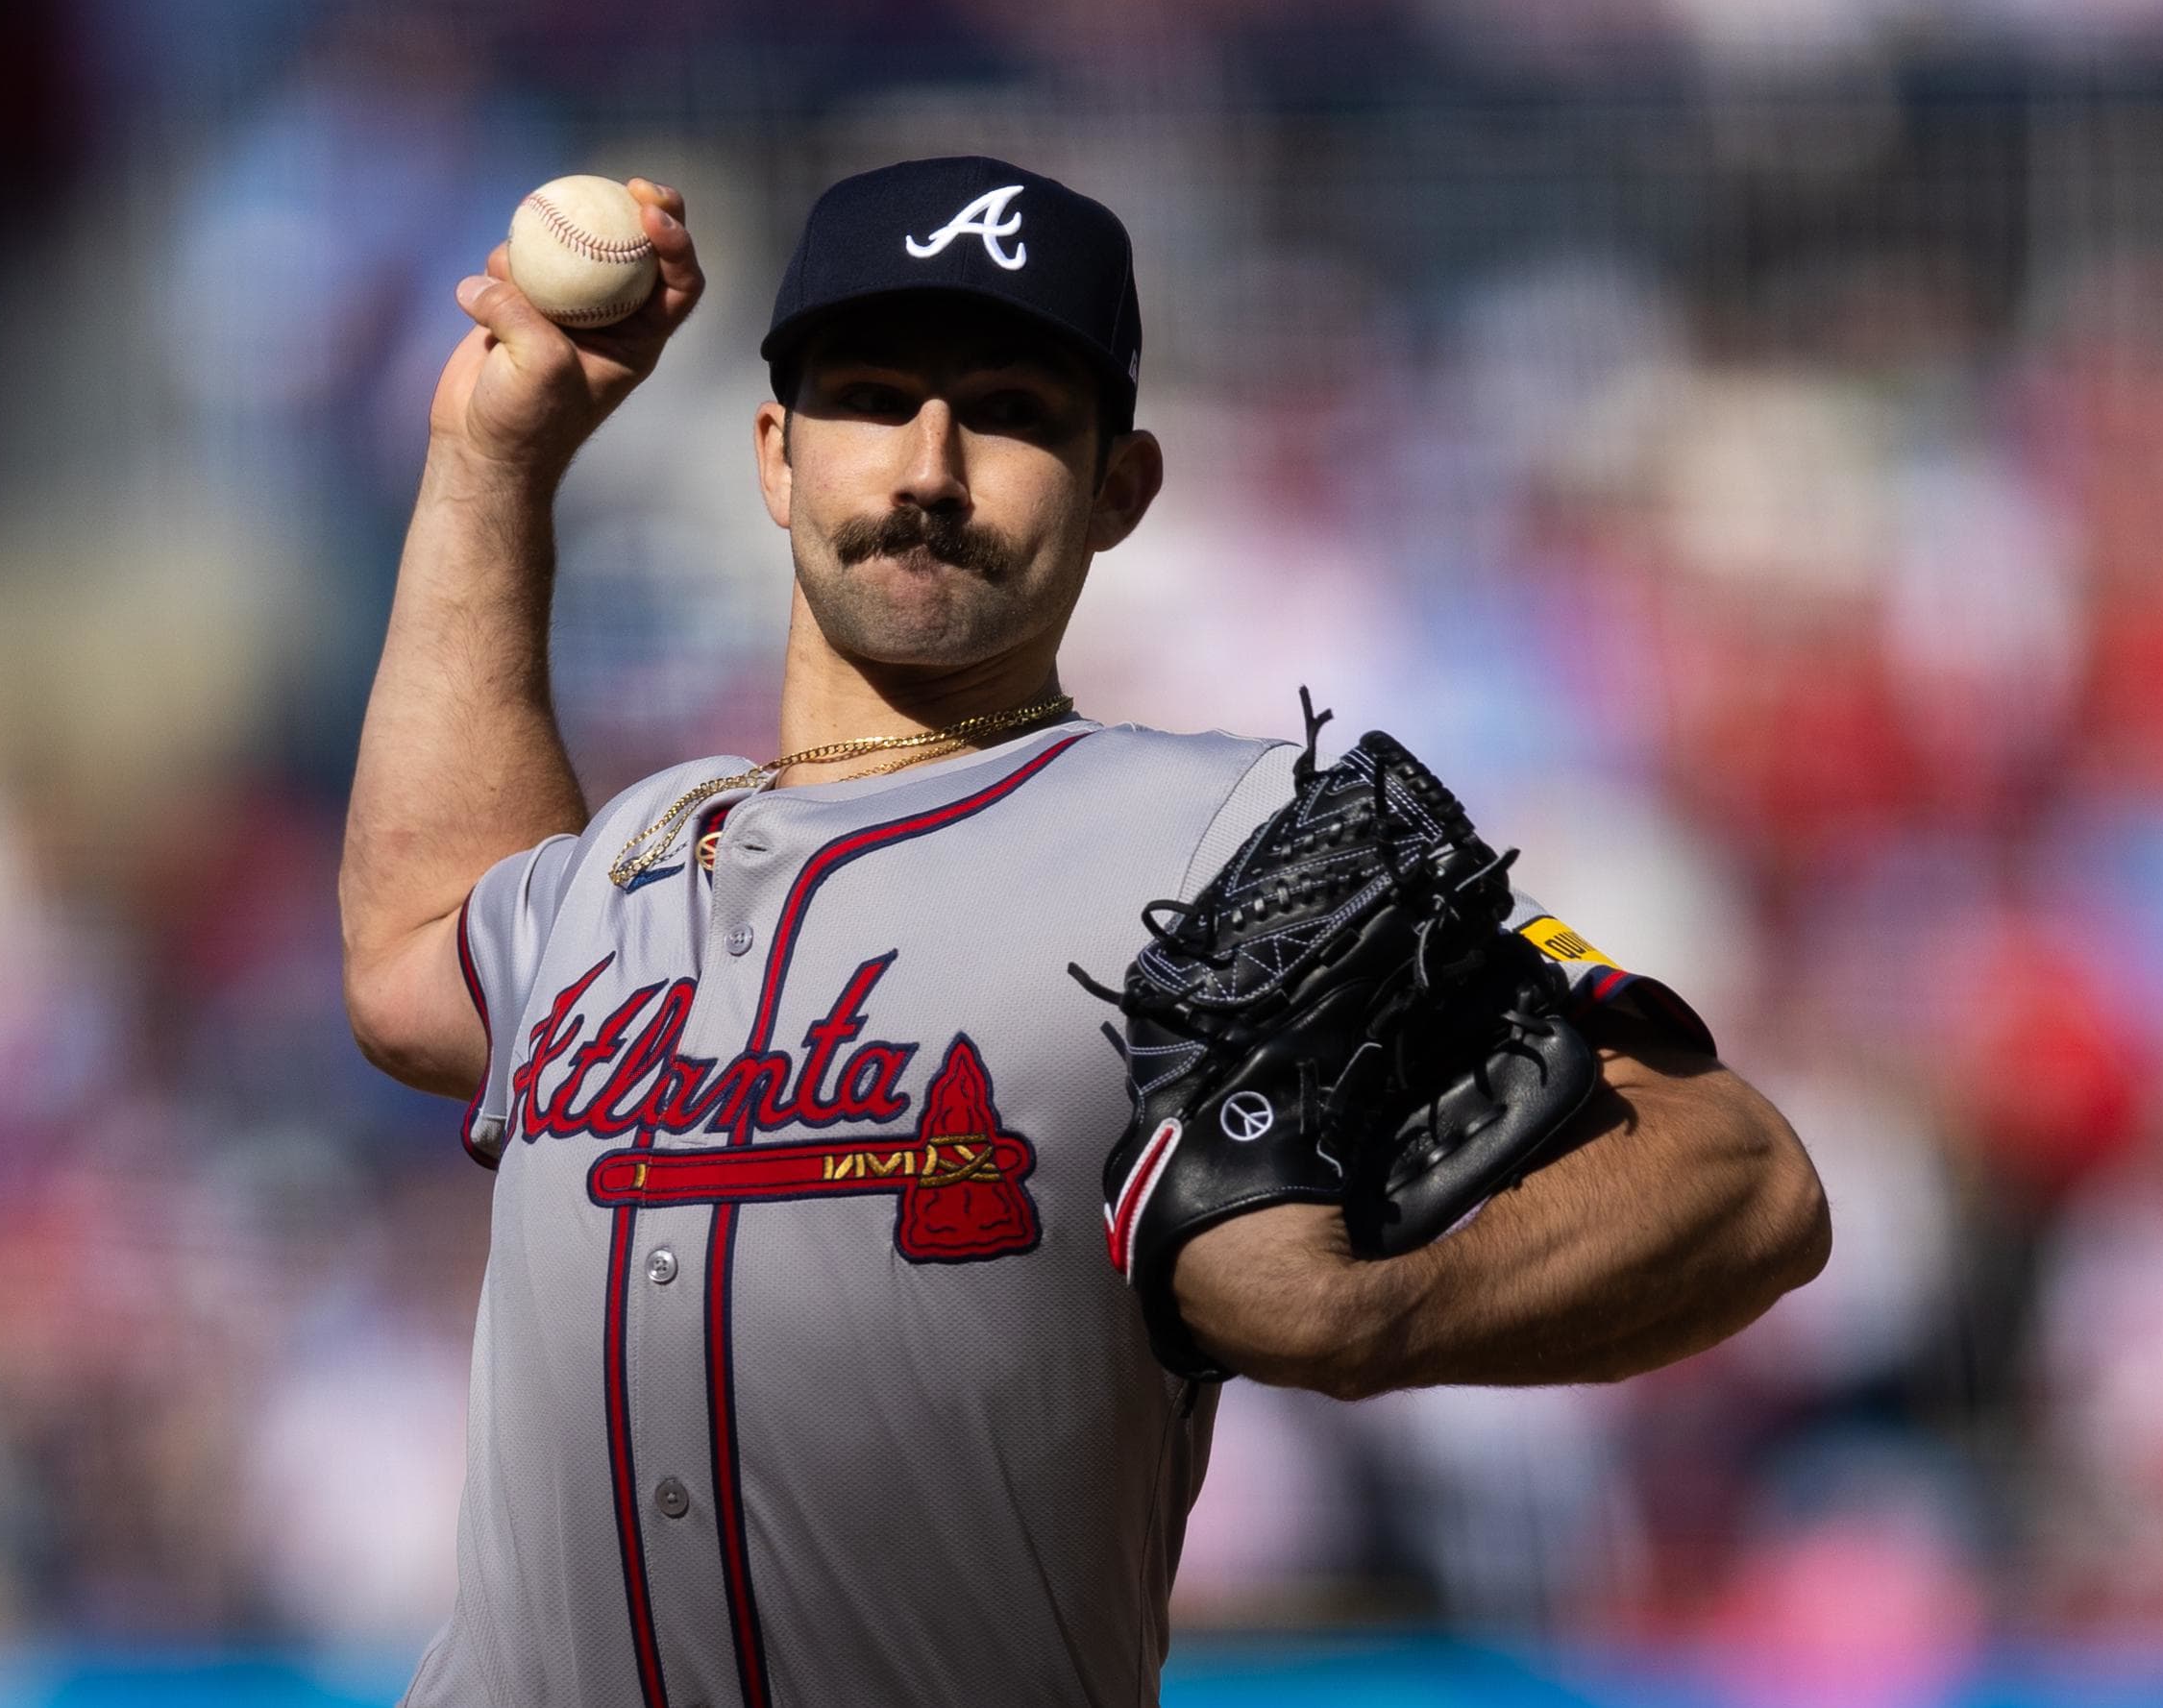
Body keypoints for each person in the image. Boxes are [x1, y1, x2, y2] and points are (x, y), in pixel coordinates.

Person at [340, 156, 1830, 1708]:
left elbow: (1748, 1176)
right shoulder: (629, 854)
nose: (927, 466)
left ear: (1121, 488)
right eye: (869, 397)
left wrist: (1371, 1314)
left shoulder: (1246, 838)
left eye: (1009, 411)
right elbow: (412, 958)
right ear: (777, 457)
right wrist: (490, 459)